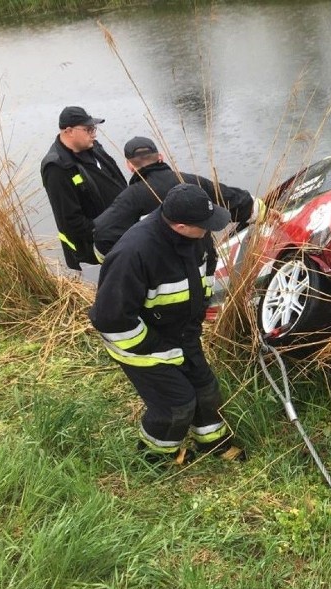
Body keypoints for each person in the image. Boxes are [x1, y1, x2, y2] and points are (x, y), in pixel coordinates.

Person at [89, 183, 245, 466]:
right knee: (177, 404)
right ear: (182, 226)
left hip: (182, 332)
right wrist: (158, 350)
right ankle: (155, 458)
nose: (211, 230)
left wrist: (202, 308)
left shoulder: (198, 237)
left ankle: (214, 444)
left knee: (206, 390)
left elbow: (206, 270)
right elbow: (111, 320)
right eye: (205, 225)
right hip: (139, 344)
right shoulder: (133, 253)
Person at [92, 136, 254, 259]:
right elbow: (238, 201)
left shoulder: (129, 198)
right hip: (199, 261)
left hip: (158, 270)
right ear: (160, 157)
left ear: (129, 166)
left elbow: (103, 235)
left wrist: (124, 260)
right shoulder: (191, 182)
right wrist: (261, 212)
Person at [41, 106, 127, 270]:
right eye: (88, 129)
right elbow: (71, 221)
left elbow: (117, 179)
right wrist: (110, 230)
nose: (94, 133)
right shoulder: (56, 167)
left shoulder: (93, 146)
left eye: (94, 128)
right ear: (69, 131)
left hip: (121, 229)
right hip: (97, 243)